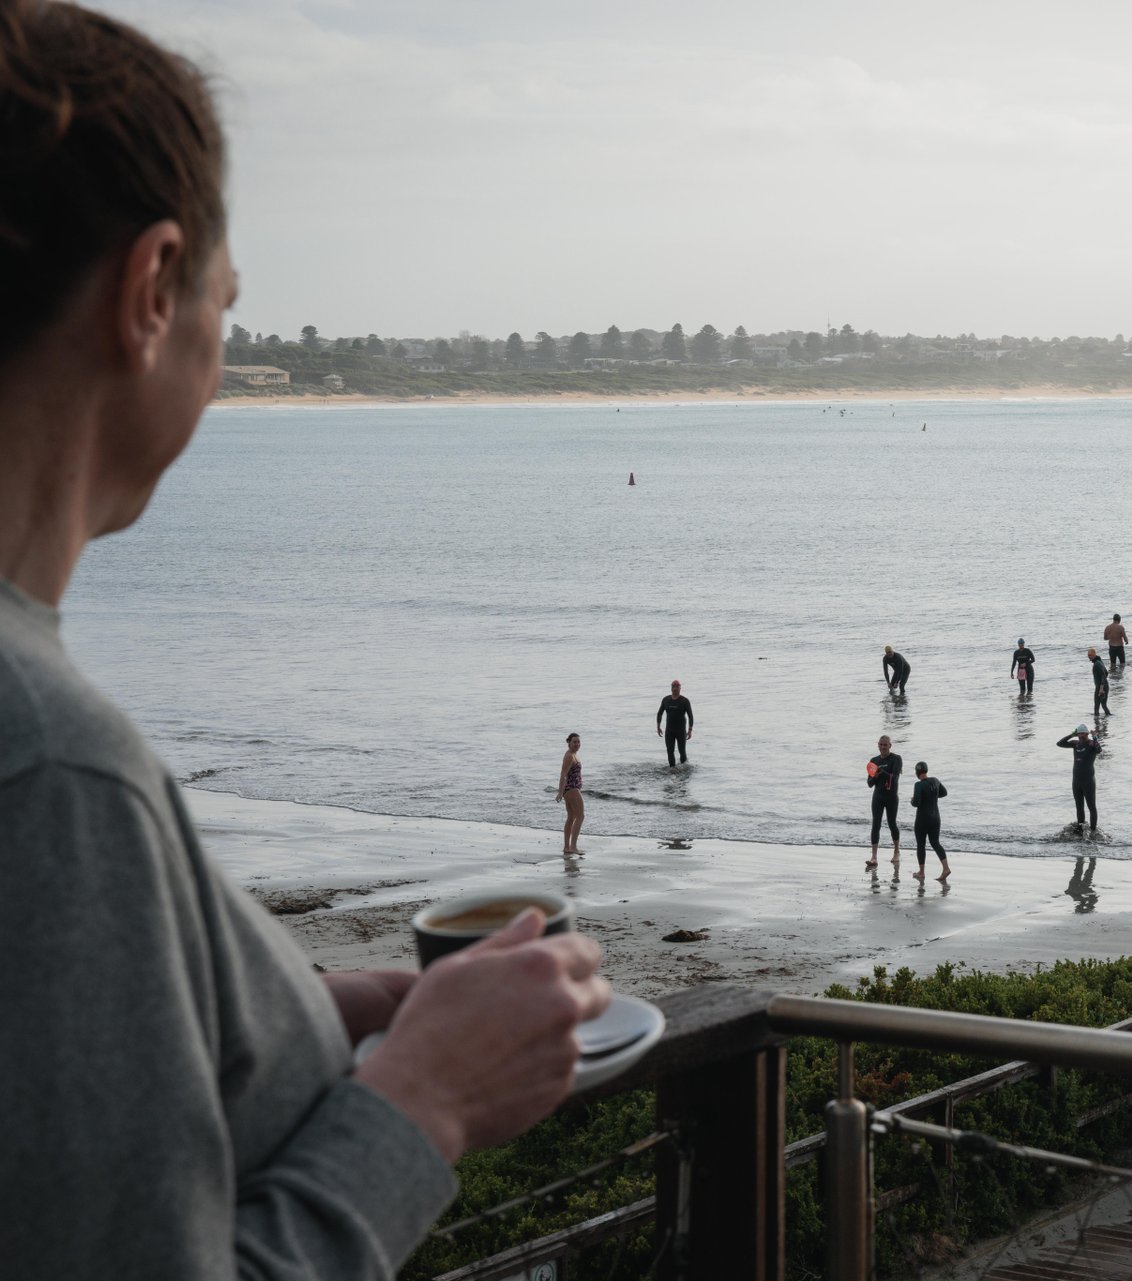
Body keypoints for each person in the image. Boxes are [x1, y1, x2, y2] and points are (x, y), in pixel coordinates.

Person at [0, 10, 611, 1275]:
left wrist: (299, 1022)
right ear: (151, 290)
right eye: (226, 302)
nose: (221, 354)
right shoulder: (52, 766)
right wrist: (425, 1105)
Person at [909, 761, 952, 882]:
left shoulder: (918, 785)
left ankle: (921, 872)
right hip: (936, 818)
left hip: (922, 818)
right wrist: (932, 795)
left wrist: (912, 800)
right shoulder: (935, 780)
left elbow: (916, 803)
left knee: (921, 844)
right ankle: (946, 868)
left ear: (917, 773)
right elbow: (944, 793)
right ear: (926, 770)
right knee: (935, 842)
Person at [866, 734, 904, 868]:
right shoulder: (873, 760)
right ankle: (874, 857)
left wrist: (882, 772)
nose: (883, 747)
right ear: (878, 745)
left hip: (891, 797)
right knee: (875, 824)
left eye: (885, 745)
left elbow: (894, 778)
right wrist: (875, 775)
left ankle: (896, 852)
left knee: (891, 823)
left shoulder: (896, 759)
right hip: (878, 797)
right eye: (881, 745)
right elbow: (870, 783)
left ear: (890, 746)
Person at [1056, 724, 1103, 829]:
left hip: (1088, 781)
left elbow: (1099, 750)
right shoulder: (1075, 744)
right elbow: (1059, 744)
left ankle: (1093, 831)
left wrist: (1095, 737)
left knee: (1091, 807)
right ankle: (1080, 829)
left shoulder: (1091, 744)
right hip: (1076, 781)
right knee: (1079, 807)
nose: (1080, 736)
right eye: (1079, 734)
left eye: (1082, 733)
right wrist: (1071, 735)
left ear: (1087, 734)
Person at [655, 679, 693, 765]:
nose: (675, 688)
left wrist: (690, 730)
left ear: (680, 688)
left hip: (681, 731)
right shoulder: (666, 700)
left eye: (677, 687)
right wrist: (658, 726)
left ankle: (684, 769)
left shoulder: (685, 701)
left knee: (682, 752)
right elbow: (659, 713)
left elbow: (690, 716)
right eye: (673, 687)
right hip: (669, 731)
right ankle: (672, 770)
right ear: (671, 688)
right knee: (670, 751)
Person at [558, 733, 584, 853]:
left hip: (570, 789)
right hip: (572, 789)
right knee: (580, 816)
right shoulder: (569, 756)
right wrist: (560, 792)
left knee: (571, 817)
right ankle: (573, 847)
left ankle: (567, 847)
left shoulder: (574, 755)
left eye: (578, 742)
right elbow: (563, 775)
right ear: (568, 742)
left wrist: (562, 792)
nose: (577, 744)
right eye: (574, 742)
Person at [1087, 646, 1111, 715]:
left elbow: (1103, 675)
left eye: (1091, 655)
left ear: (1094, 654)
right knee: (1102, 706)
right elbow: (1106, 673)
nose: (1089, 657)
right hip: (1102, 686)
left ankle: (1098, 722)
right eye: (1088, 655)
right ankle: (1103, 721)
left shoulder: (1097, 664)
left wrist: (1101, 688)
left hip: (1101, 687)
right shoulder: (1099, 661)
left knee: (1099, 706)